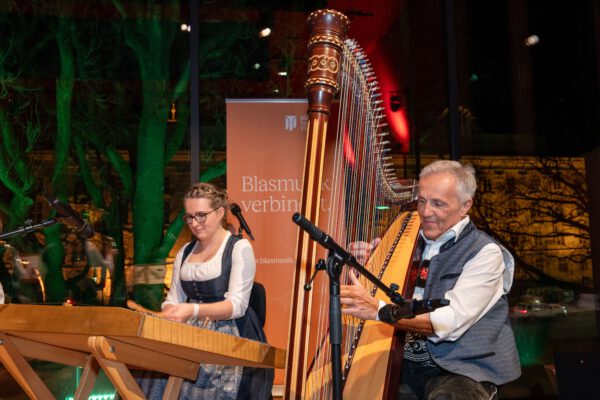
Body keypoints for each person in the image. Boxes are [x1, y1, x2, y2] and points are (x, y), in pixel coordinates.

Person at [340, 160, 521, 399]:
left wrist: (378, 310)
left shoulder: (485, 253)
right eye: (422, 201)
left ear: (465, 205)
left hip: (460, 370)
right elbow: (375, 297)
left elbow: (449, 321)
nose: (425, 212)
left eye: (438, 203)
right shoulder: (404, 241)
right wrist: (366, 267)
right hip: (402, 362)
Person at [136, 182, 273, 400]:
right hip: (191, 333)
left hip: (231, 334)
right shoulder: (184, 252)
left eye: (201, 215)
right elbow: (174, 299)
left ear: (220, 213)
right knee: (151, 370)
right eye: (189, 217)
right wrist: (169, 312)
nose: (194, 223)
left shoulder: (239, 248)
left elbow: (236, 306)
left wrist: (192, 310)